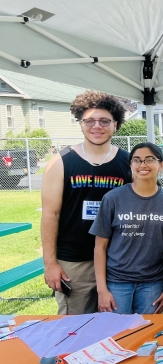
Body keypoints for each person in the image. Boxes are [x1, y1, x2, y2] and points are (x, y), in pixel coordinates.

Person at [41, 90, 131, 315]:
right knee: (75, 330)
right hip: (74, 262)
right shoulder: (60, 162)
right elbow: (49, 215)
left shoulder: (128, 163)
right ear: (80, 124)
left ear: (115, 124)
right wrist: (50, 263)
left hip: (118, 261)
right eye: (89, 121)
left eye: (104, 121)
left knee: (117, 330)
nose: (96, 126)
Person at [90, 142, 163, 314]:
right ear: (130, 165)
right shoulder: (113, 199)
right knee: (116, 333)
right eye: (137, 160)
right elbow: (99, 247)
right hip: (117, 282)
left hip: (153, 283)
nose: (143, 165)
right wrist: (102, 289)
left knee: (147, 334)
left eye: (150, 159)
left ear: (161, 165)